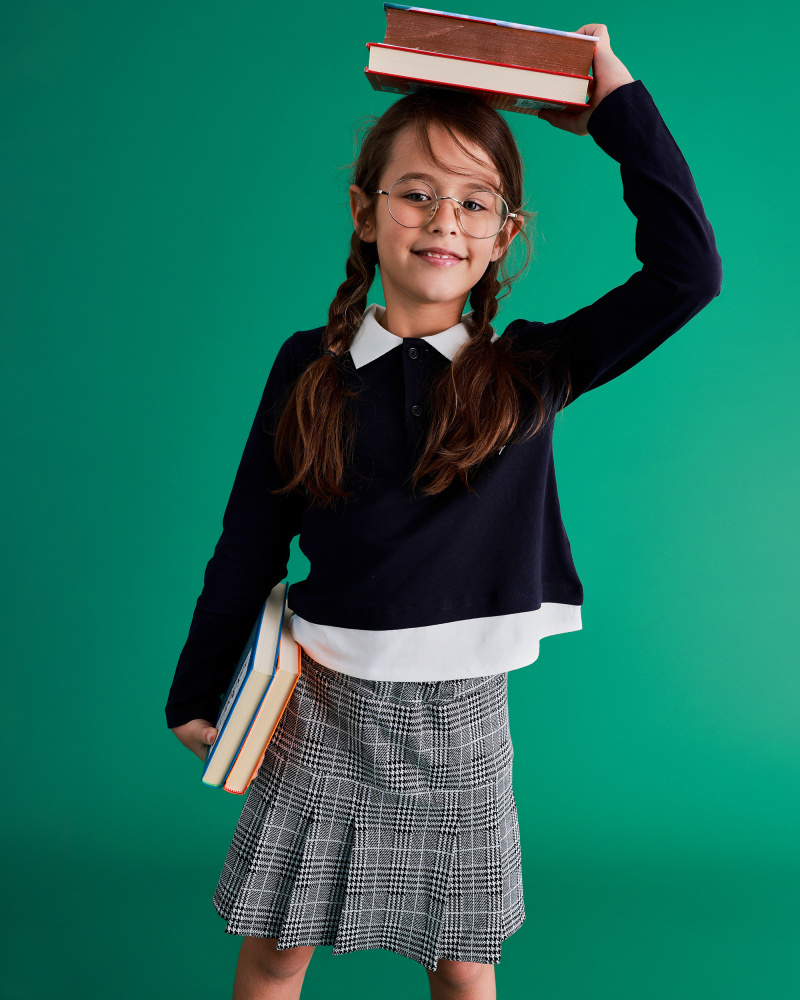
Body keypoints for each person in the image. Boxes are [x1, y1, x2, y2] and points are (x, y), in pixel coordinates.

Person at [166, 23, 722, 1000]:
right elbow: (250, 531)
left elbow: (688, 272)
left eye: (473, 201)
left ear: (505, 233)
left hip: (462, 721)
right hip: (322, 702)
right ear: (364, 211)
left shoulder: (530, 371)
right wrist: (196, 686)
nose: (443, 219)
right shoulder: (308, 366)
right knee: (274, 949)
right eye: (416, 192)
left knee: (463, 965)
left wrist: (613, 107)